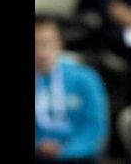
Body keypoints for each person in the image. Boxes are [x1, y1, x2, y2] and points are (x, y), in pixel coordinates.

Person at [35, 17, 109, 163]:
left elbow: (95, 127)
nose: (40, 52)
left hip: (78, 156)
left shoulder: (86, 78)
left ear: (59, 44)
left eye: (46, 44)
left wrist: (66, 151)